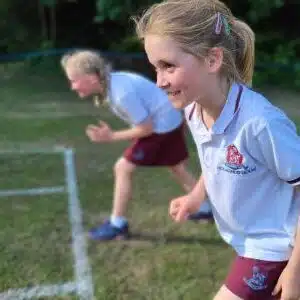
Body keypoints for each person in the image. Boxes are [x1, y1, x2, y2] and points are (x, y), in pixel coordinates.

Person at [134, 0, 300, 299]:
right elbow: (215, 162)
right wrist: (196, 196)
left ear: (212, 60)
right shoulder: (193, 110)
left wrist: (295, 271)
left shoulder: (260, 123)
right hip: (248, 243)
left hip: (277, 247)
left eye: (168, 66)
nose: (159, 81)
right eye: (155, 68)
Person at [60, 50, 213, 241]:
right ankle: (204, 209)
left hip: (162, 128)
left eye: (74, 80)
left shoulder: (120, 93)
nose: (72, 86)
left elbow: (146, 129)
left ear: (91, 78)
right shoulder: (112, 84)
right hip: (170, 121)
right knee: (176, 167)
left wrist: (111, 136)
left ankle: (118, 225)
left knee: (123, 168)